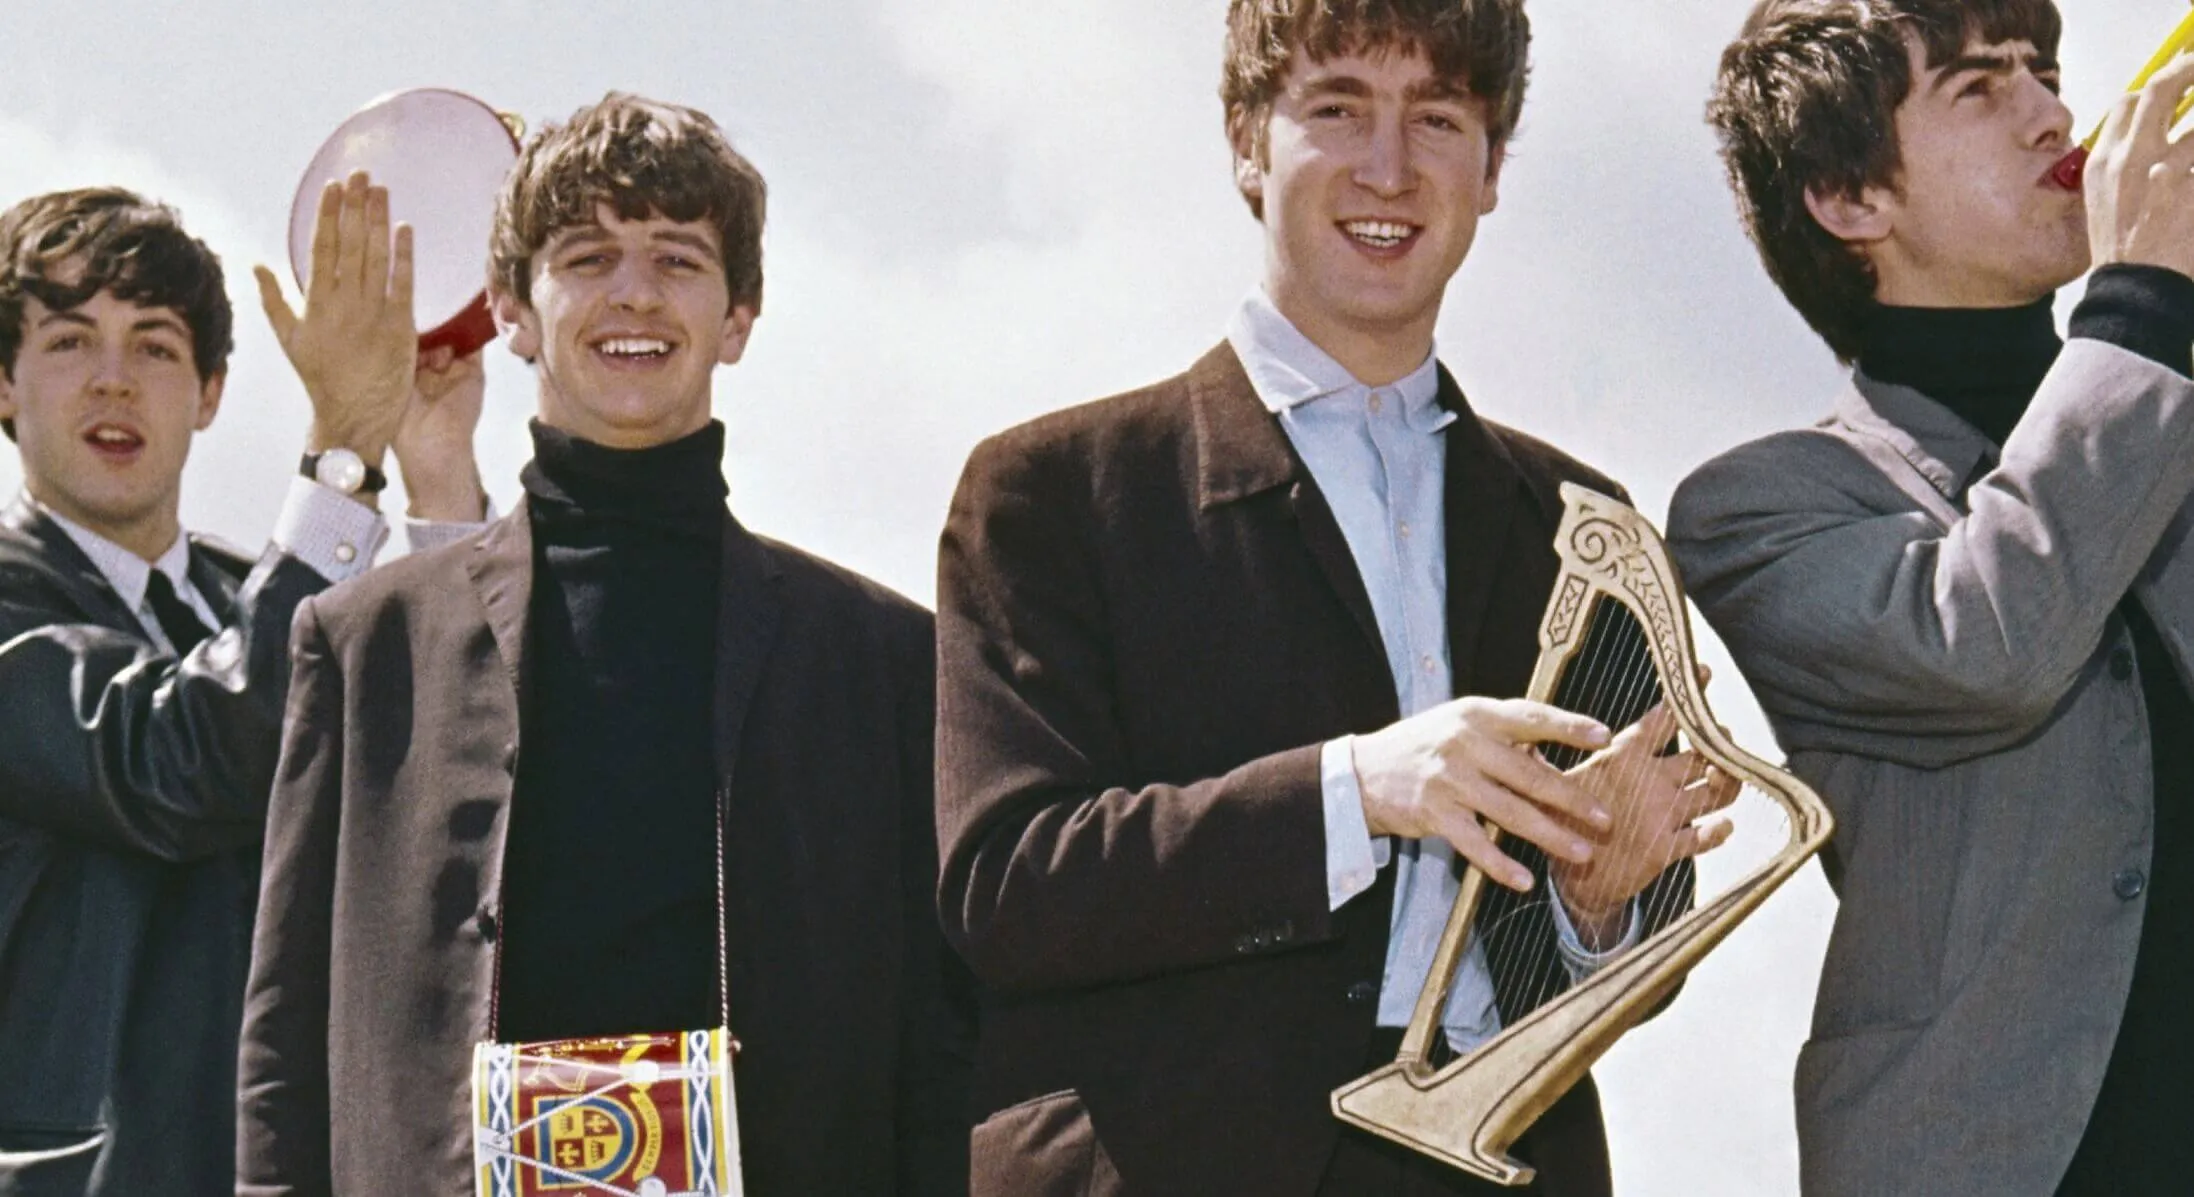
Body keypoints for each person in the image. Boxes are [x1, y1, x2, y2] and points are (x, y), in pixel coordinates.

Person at [934, 2, 1738, 1193]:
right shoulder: (1051, 493)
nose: (1389, 166)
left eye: (1438, 118)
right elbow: (1007, 886)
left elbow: (1634, 951)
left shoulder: (1583, 521)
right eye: (1338, 108)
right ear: (1246, 142)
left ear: (1492, 167)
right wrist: (1358, 792)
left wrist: (1599, 905)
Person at [235, 92, 975, 1196]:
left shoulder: (884, 659)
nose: (634, 292)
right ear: (512, 310)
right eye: (586, 256)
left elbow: (940, 1048)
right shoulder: (361, 648)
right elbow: (286, 1045)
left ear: (738, 317)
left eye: (678, 259)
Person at [1671, 2, 2194, 1193]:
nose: (2051, 115)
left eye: (2043, 72)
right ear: (1850, 201)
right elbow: (1989, 643)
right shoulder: (1757, 506)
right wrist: (2147, 300)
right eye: (1977, 88)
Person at [0, 179, 486, 1197]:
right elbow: (182, 758)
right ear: (5, 386)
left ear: (212, 391)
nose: (114, 382)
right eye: (69, 342)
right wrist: (345, 453)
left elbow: (452, 791)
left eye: (157, 346)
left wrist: (436, 479)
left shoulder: (272, 595)